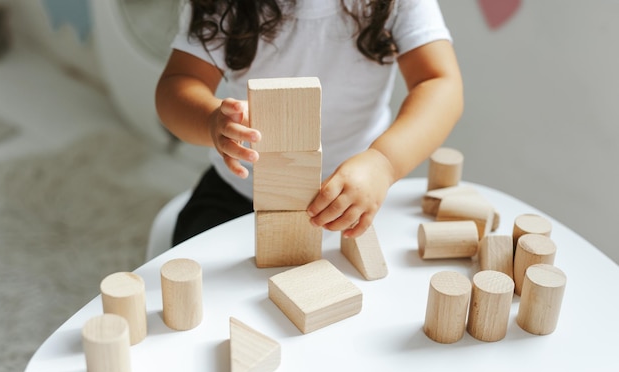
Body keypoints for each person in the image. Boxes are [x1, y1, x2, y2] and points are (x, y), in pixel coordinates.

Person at [155, 0, 463, 246]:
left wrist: (384, 163)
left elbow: (440, 83)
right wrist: (211, 119)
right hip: (240, 192)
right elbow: (177, 85)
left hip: (357, 195)